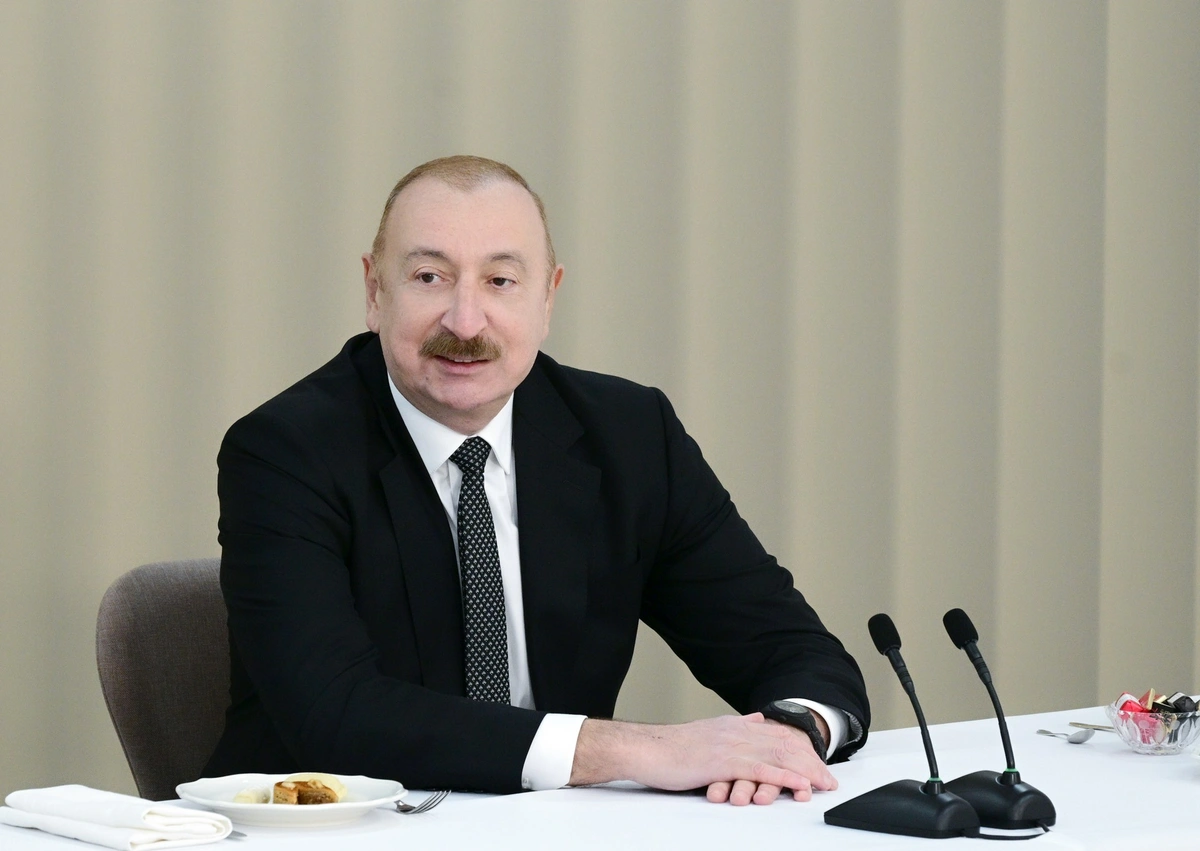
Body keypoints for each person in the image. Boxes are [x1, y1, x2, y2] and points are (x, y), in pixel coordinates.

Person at [204, 155, 869, 806]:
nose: (465, 322)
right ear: (376, 292)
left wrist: (789, 738)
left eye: (501, 281)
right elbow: (334, 713)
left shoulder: (631, 435)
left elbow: (789, 649)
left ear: (548, 297)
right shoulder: (283, 452)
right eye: (430, 277)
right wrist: (635, 749)